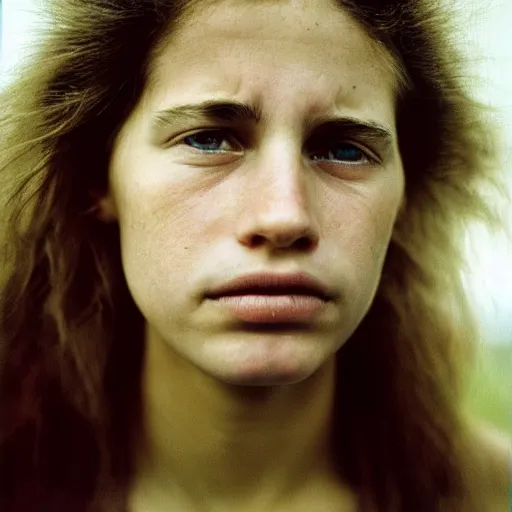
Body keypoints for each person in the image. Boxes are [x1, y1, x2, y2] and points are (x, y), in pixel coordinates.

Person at [0, 0, 510, 510]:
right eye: (208, 139)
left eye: (345, 149)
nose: (284, 217)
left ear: (405, 197)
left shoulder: (489, 494)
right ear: (96, 175)